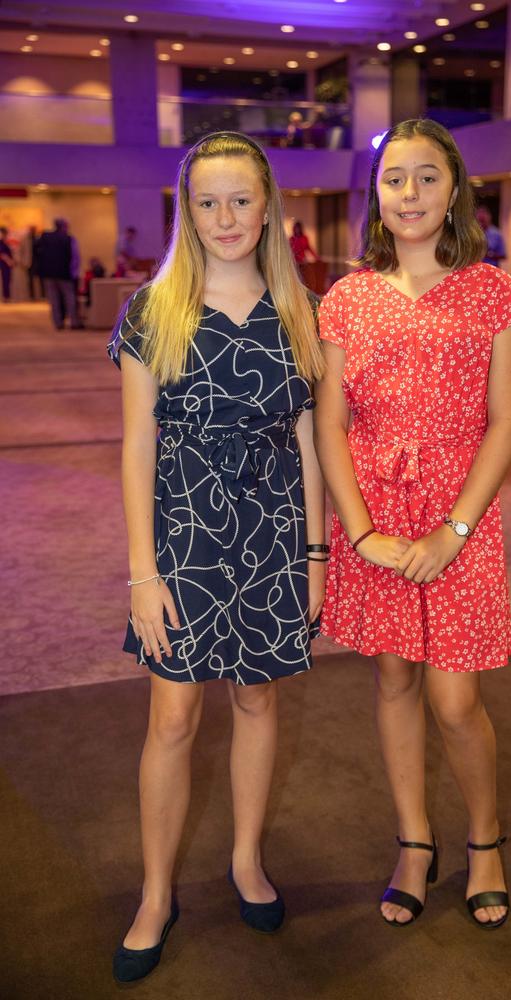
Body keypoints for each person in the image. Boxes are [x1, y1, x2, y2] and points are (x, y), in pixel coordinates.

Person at [107, 131, 325, 983]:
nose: (225, 216)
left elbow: (308, 437)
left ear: (269, 205)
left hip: (273, 534)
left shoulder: (299, 306)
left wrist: (314, 557)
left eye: (240, 199)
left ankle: (244, 859)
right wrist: (141, 574)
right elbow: (133, 449)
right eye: (207, 201)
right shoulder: (152, 309)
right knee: (172, 718)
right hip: (182, 540)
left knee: (258, 703)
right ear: (185, 211)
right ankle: (156, 893)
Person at [315, 118, 511, 932]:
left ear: (455, 189)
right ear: (375, 195)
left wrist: (454, 530)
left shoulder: (493, 290)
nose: (410, 194)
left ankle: (485, 840)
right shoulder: (345, 299)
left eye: (427, 177)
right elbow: (330, 424)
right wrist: (363, 531)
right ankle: (414, 841)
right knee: (395, 679)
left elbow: (507, 423)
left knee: (453, 698)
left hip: (461, 516)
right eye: (395, 178)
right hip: (376, 515)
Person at [34, 218, 83, 329]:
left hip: (48, 273)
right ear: (64, 226)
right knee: (69, 298)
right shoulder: (68, 239)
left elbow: (37, 253)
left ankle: (58, 323)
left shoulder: (44, 237)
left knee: (53, 300)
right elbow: (75, 257)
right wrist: (74, 272)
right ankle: (74, 322)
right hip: (64, 273)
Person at [0, 227, 14, 302]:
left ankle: (7, 296)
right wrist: (9, 261)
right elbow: (2, 254)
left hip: (7, 265)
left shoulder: (6, 242)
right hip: (4, 264)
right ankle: (6, 297)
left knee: (7, 280)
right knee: (5, 280)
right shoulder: (1, 242)